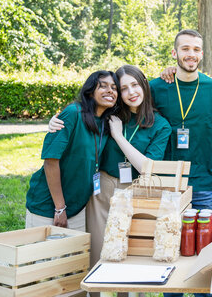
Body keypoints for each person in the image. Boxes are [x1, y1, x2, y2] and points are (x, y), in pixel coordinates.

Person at [48, 65, 172, 274]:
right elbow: (80, 117)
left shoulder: (160, 125)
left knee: (132, 252)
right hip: (102, 189)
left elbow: (146, 167)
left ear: (144, 86)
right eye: (124, 89)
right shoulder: (110, 113)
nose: (131, 93)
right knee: (97, 252)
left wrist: (119, 136)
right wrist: (54, 122)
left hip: (136, 190)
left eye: (135, 85)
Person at [26, 70, 117, 232]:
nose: (110, 90)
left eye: (114, 87)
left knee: (75, 257)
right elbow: (50, 161)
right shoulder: (73, 113)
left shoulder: (107, 122)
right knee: (45, 257)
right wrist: (59, 208)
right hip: (49, 207)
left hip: (78, 208)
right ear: (90, 92)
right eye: (103, 86)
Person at [150, 29, 212, 212]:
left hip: (203, 184)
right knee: (166, 239)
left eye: (196, 50)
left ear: (202, 54)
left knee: (206, 238)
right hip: (166, 181)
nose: (191, 54)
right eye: (185, 49)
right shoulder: (156, 87)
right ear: (175, 53)